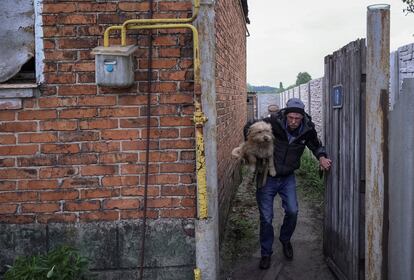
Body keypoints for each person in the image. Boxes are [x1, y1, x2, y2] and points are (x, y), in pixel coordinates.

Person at [245, 98, 332, 270]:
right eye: (290, 117)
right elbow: (248, 127)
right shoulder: (272, 123)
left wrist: (321, 157)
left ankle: (285, 240)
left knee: (293, 211)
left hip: (287, 178)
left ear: (302, 117)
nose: (293, 122)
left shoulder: (307, 129)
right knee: (266, 218)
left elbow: (316, 145)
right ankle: (266, 253)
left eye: (297, 118)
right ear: (286, 114)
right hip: (266, 177)